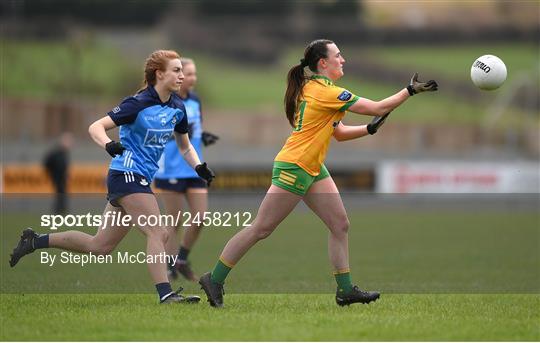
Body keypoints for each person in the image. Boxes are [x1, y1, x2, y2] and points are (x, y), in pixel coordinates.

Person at [199, 39, 437, 307]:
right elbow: (378, 107)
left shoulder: (318, 89)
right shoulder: (326, 92)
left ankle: (345, 291)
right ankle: (214, 279)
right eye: (338, 55)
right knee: (261, 228)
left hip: (311, 167)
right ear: (323, 63)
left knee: (340, 225)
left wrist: (368, 130)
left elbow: (339, 133)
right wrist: (409, 91)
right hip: (295, 166)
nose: (343, 59)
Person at [9, 50, 215, 304]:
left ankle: (35, 241)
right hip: (126, 174)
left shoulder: (177, 107)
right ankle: (166, 294)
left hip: (138, 178)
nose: (182, 76)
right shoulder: (137, 103)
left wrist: (198, 167)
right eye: (176, 70)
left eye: (183, 71)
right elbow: (96, 126)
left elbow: (184, 146)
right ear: (159, 74)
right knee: (159, 232)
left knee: (101, 246)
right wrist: (108, 144)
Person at [154, 57, 219, 282]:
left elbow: (193, 130)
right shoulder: (165, 101)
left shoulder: (195, 101)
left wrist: (203, 136)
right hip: (170, 170)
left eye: (193, 74)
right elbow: (166, 133)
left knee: (200, 218)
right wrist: (183, 135)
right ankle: (170, 266)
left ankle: (181, 258)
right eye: (187, 73)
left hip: (194, 168)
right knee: (175, 221)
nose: (192, 78)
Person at [43, 132, 73, 214]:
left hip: (62, 177)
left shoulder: (64, 153)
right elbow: (47, 162)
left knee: (62, 193)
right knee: (60, 193)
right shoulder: (56, 152)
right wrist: (52, 172)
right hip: (57, 177)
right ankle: (58, 211)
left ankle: (61, 210)